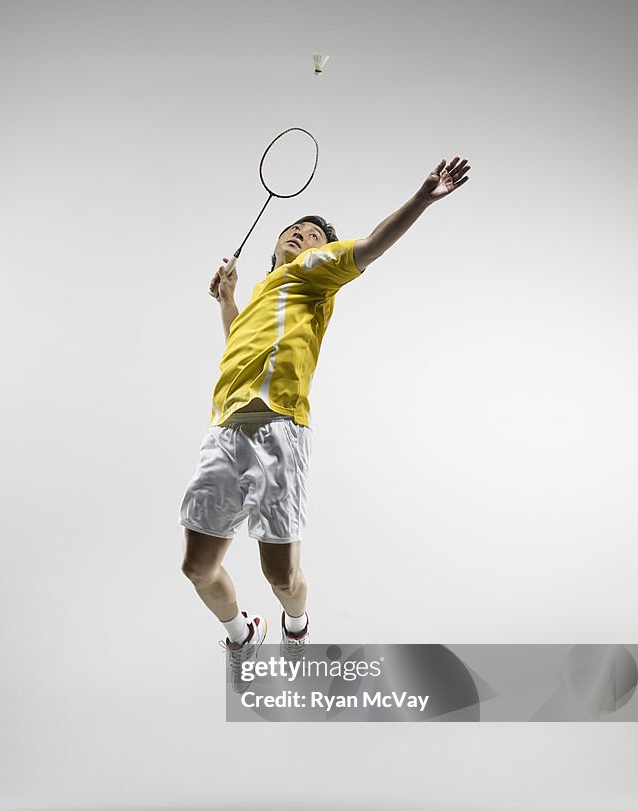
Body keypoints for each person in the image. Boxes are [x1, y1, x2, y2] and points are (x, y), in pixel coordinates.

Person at [180, 156, 470, 690]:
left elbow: (372, 246)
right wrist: (226, 299)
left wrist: (422, 200)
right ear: (275, 243)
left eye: (313, 233)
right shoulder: (266, 293)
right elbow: (241, 345)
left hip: (279, 432)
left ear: (321, 251)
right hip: (224, 432)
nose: (302, 234)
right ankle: (243, 634)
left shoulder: (314, 275)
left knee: (280, 575)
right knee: (196, 569)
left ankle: (295, 626)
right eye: (294, 228)